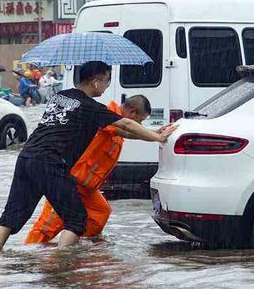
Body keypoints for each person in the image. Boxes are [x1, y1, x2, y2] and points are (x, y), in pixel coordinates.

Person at [0, 61, 176, 251]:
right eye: (106, 81)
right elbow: (125, 125)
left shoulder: (59, 97)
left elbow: (121, 131)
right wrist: (158, 137)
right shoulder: (91, 108)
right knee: (76, 218)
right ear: (95, 81)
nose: (106, 87)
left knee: (11, 216)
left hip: (26, 157)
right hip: (50, 163)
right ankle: (63, 263)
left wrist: (152, 133)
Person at [25, 95, 171, 244]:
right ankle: (28, 256)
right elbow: (127, 129)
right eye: (140, 121)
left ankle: (76, 246)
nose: (140, 125)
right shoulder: (107, 115)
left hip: (86, 186)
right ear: (133, 112)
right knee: (46, 227)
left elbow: (128, 132)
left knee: (100, 212)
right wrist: (156, 137)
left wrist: (155, 132)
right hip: (69, 182)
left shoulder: (116, 124)